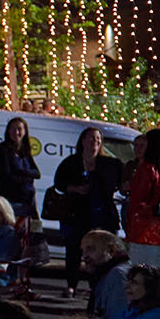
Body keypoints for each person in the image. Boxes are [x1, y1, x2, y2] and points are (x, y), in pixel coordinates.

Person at [52, 126, 124, 297]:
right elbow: (59, 184)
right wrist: (75, 189)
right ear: (83, 141)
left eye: (98, 139)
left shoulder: (110, 164)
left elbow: (121, 183)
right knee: (74, 250)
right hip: (77, 214)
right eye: (91, 138)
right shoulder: (71, 162)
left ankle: (98, 286)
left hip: (102, 214)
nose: (95, 142)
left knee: (102, 252)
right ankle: (72, 285)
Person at [125, 128, 160, 235]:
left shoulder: (156, 168)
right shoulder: (148, 169)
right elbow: (138, 203)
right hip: (145, 227)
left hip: (151, 226)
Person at [0, 116, 42, 220]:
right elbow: (5, 176)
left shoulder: (24, 151)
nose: (16, 132)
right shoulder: (3, 150)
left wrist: (21, 171)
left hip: (28, 201)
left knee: (34, 230)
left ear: (25, 131)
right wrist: (27, 178)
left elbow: (37, 173)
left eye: (19, 129)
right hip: (10, 200)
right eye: (13, 129)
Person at [80, 230, 132, 319]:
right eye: (83, 251)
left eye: (90, 249)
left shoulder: (117, 275)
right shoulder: (106, 273)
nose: (84, 256)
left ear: (111, 250)